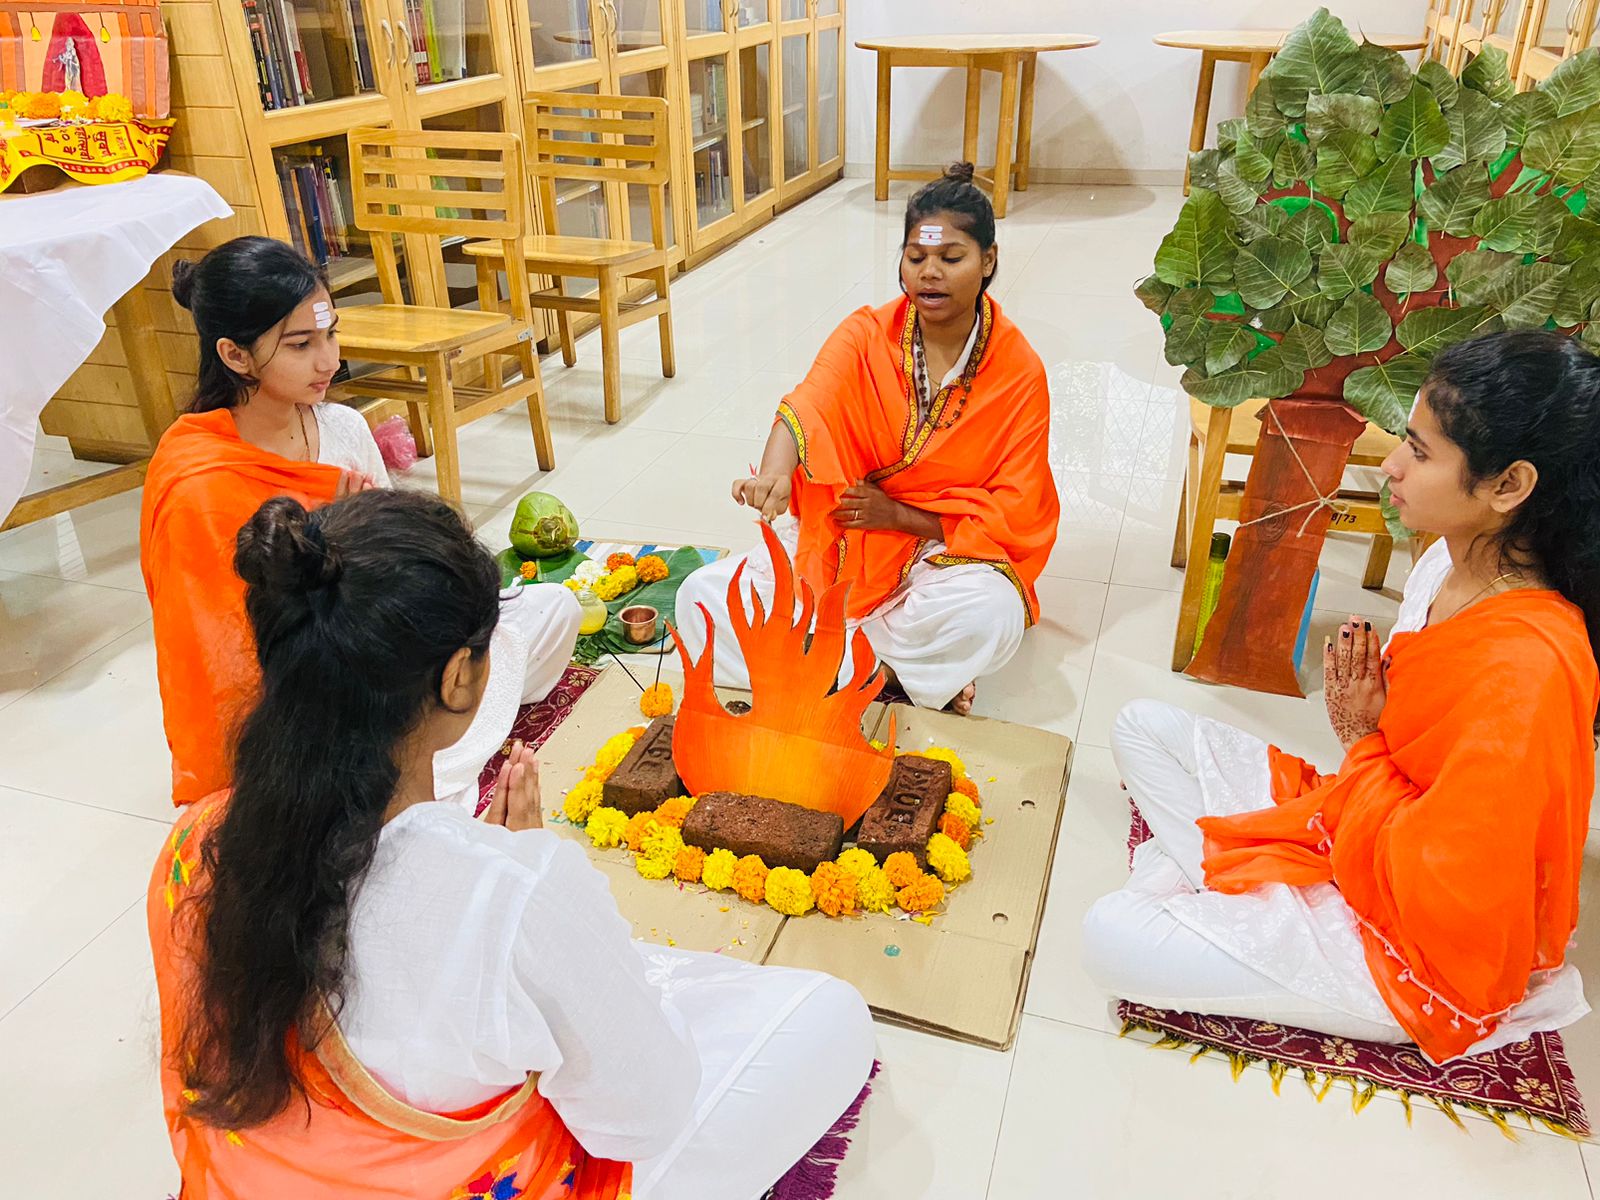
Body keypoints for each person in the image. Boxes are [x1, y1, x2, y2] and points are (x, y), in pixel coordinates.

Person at [148, 488, 876, 1199]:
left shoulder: (195, 840)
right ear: (459, 678)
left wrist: (489, 880)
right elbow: (642, 1119)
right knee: (828, 1014)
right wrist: (515, 883)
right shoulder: (517, 890)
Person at [1082, 330, 1600, 1064]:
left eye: (1419, 452)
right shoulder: (1442, 568)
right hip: (1356, 831)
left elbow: (1454, 893)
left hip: (1414, 949)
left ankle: (1234, 903)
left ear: (1508, 486)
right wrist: (1368, 750)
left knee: (1110, 936)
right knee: (1141, 727)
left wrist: (1361, 740)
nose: (1390, 464)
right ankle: (1238, 902)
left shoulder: (1529, 669)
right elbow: (1409, 757)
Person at [139, 236, 580, 808]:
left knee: (552, 610)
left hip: (394, 656)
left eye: (332, 333)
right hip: (320, 701)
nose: (330, 360)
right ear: (234, 355)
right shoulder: (194, 484)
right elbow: (227, 662)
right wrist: (331, 555)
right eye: (301, 345)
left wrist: (382, 541)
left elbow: (404, 581)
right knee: (392, 793)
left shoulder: (342, 428)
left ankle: (444, 742)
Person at [675, 163, 1059, 716]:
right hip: (844, 540)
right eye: (916, 257)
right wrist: (774, 476)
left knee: (991, 615)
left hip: (940, 548)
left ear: (988, 261)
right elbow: (807, 404)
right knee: (700, 601)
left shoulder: (1019, 371)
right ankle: (883, 675)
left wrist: (899, 518)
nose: (930, 273)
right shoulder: (867, 332)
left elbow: (1020, 512)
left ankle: (824, 665)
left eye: (951, 258)